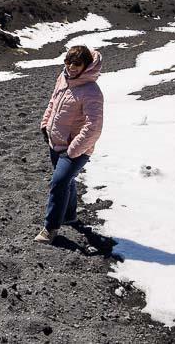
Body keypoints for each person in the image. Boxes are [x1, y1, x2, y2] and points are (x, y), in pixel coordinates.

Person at [34, 45, 104, 244]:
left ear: (87, 66)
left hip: (76, 149)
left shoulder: (91, 91)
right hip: (55, 141)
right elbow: (52, 103)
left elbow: (94, 126)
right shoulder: (63, 78)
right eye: (68, 62)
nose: (71, 67)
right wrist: (45, 125)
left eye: (77, 63)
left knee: (59, 182)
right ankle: (70, 216)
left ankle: (51, 228)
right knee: (67, 181)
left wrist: (73, 151)